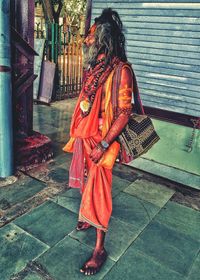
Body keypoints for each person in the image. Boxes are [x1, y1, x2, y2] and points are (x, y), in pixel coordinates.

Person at [63, 8, 143, 276]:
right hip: (85, 135)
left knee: (99, 191)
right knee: (86, 180)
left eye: (92, 34)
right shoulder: (96, 66)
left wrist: (104, 144)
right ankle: (87, 218)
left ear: (104, 38)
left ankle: (99, 248)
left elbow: (123, 113)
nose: (86, 38)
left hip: (101, 141)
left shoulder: (121, 70)